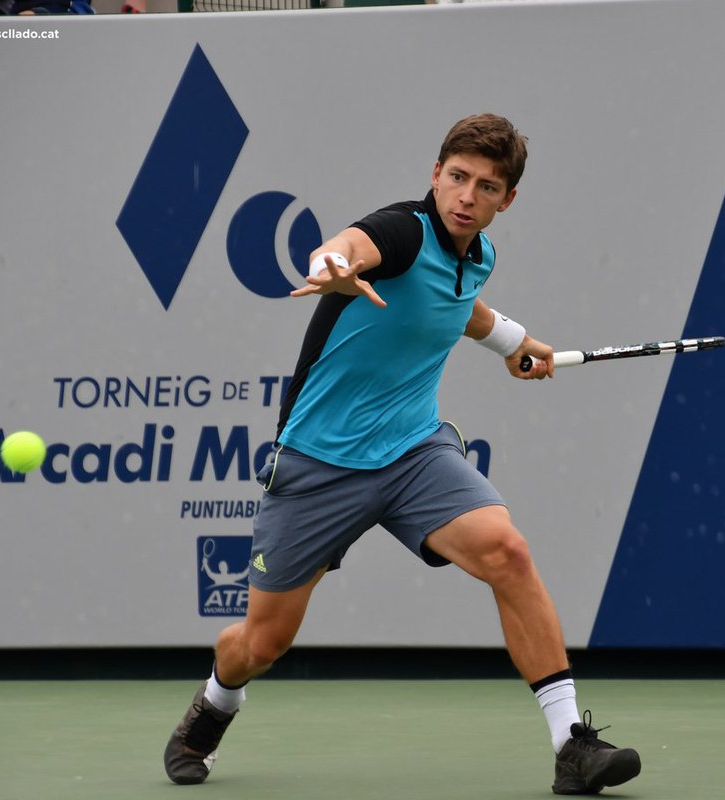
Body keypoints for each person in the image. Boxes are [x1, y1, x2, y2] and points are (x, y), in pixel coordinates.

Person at [163, 113, 641, 795]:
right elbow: (345, 249)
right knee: (260, 644)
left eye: (486, 186)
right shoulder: (400, 231)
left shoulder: (478, 256)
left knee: (508, 552)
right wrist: (332, 267)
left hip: (414, 451)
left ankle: (572, 745)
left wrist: (515, 343)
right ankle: (216, 701)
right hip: (319, 464)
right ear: (435, 174)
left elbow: (460, 305)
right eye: (457, 177)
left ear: (507, 200)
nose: (467, 196)